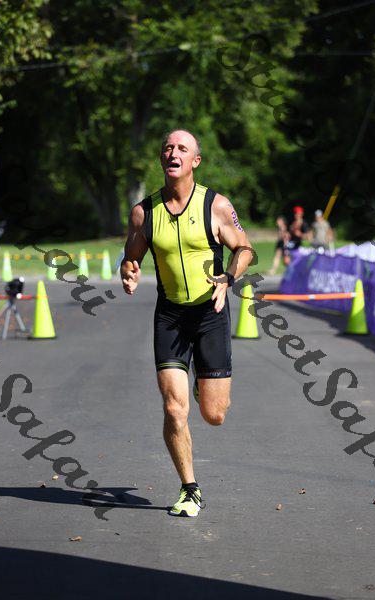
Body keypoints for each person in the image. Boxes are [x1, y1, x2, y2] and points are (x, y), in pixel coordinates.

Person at [120, 129, 253, 517]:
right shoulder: (144, 212)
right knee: (174, 410)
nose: (172, 152)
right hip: (171, 317)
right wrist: (128, 270)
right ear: (162, 159)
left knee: (214, 414)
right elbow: (132, 254)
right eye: (167, 147)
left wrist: (229, 277)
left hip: (210, 314)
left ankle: (202, 386)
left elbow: (244, 248)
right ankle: (189, 488)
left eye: (182, 148)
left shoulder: (216, 205)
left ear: (195, 160)